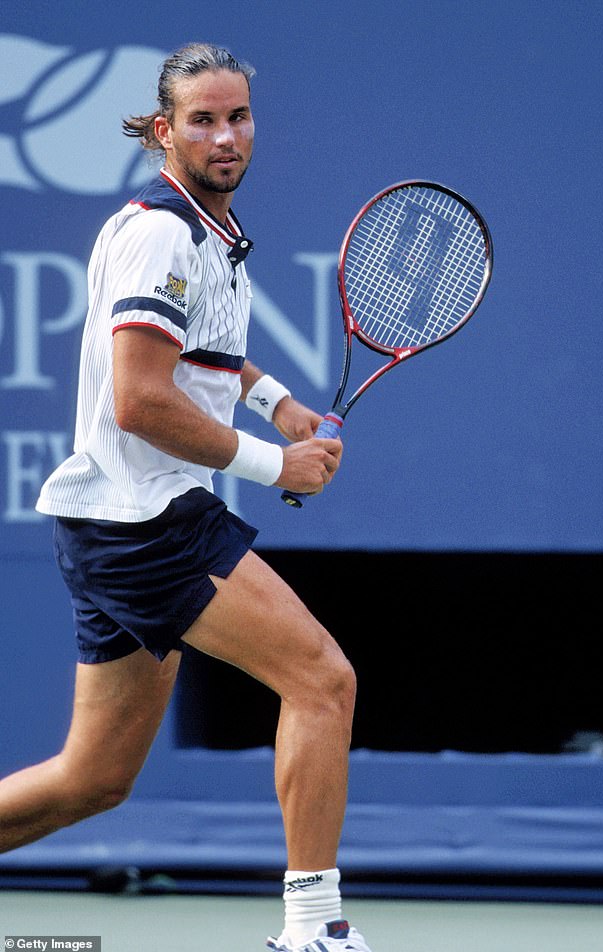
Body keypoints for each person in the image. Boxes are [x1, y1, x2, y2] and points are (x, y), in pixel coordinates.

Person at [0, 43, 373, 952]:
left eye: (238, 116)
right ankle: (312, 930)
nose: (226, 135)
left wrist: (274, 401)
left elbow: (204, 351)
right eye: (203, 120)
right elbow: (140, 399)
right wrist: (270, 465)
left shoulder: (202, 229)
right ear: (164, 131)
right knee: (323, 681)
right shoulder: (164, 231)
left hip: (114, 523)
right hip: (146, 522)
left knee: (93, 778)